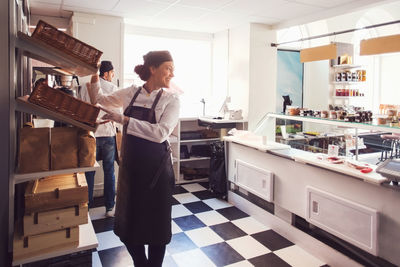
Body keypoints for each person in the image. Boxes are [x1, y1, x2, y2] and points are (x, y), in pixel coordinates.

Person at [88, 50, 179, 267]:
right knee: (128, 225)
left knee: (156, 227)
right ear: (153, 69)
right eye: (168, 68)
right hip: (131, 169)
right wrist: (93, 71)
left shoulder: (171, 99)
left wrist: (125, 120)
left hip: (157, 171)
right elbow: (99, 100)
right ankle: (140, 262)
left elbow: (160, 133)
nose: (172, 74)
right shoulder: (131, 93)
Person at [82, 60, 120, 217]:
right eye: (112, 73)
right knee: (109, 172)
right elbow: (118, 113)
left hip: (91, 134)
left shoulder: (86, 87)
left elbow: (81, 107)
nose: (113, 76)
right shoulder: (113, 89)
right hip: (108, 135)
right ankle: (110, 208)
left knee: (89, 172)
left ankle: (87, 208)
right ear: (106, 73)